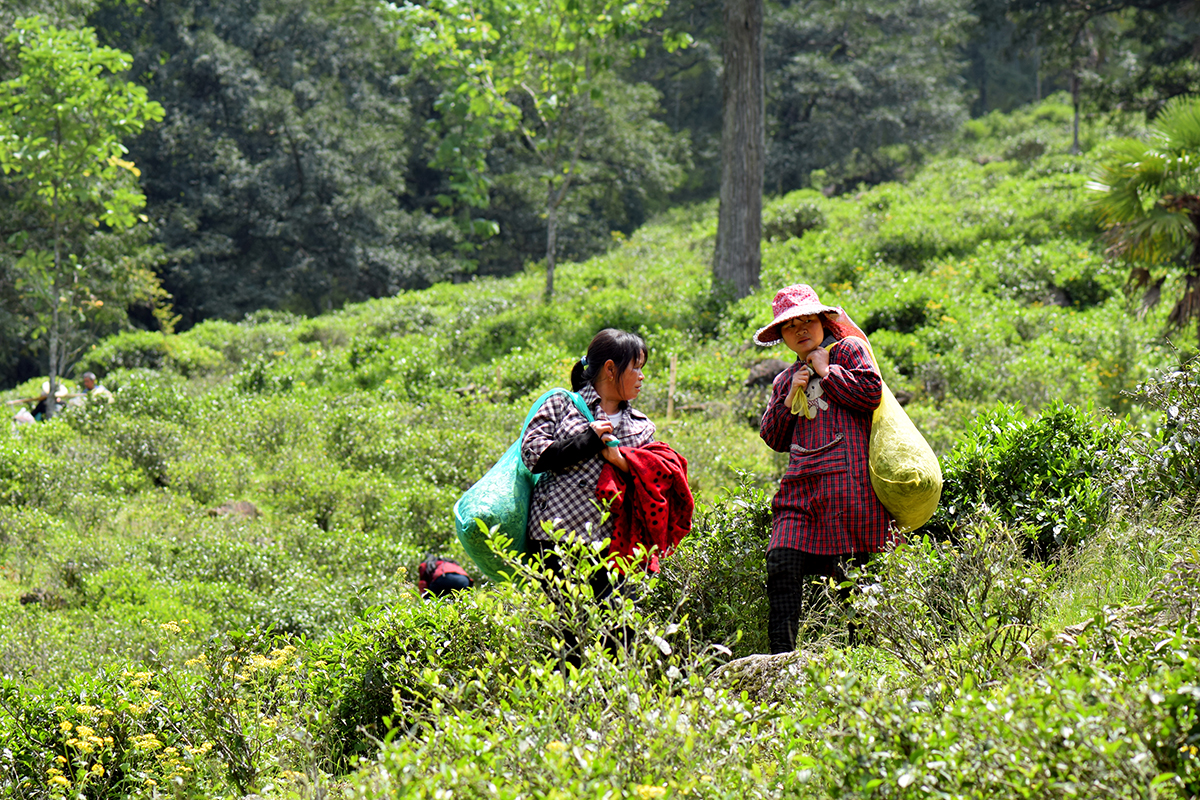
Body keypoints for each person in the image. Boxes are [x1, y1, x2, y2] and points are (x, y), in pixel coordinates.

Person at [755, 284, 898, 654]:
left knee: (855, 577)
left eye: (807, 320)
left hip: (849, 488)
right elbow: (773, 437)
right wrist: (788, 400)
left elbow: (870, 395)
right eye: (790, 326)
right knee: (781, 561)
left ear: (822, 320)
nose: (801, 330)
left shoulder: (849, 350)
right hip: (801, 488)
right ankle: (780, 659)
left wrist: (827, 371)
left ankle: (863, 659)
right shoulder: (784, 379)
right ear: (783, 336)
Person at [520, 329, 657, 665]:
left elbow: (652, 480)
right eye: (635, 368)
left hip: (614, 546)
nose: (641, 377)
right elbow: (532, 454)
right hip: (556, 539)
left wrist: (620, 461)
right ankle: (569, 713)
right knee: (568, 640)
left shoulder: (642, 426)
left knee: (618, 636)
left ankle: (610, 714)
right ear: (610, 369)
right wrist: (586, 440)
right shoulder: (561, 404)